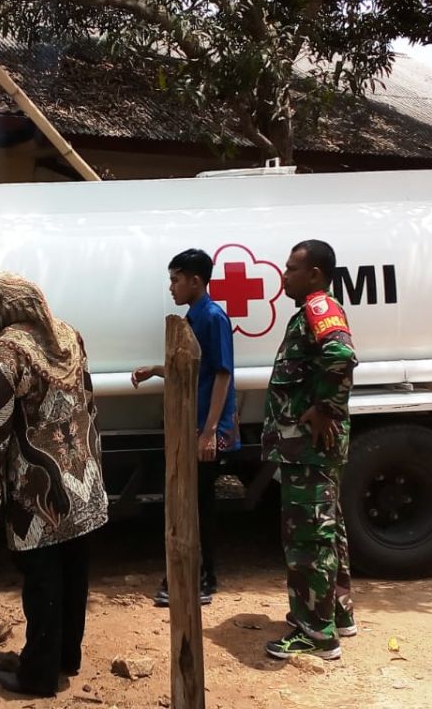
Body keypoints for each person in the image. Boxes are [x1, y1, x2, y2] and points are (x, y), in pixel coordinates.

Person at [0, 271, 109, 698]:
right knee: (74, 575)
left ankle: (38, 676)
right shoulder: (69, 336)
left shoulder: (5, 355)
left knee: (42, 582)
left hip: (37, 493)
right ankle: (68, 656)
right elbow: (89, 403)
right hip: (82, 483)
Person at [263, 240, 358, 661]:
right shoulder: (312, 311)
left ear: (314, 273)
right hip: (310, 449)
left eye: (291, 269)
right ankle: (336, 613)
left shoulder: (321, 308)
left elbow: (341, 355)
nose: (284, 276)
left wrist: (324, 409)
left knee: (308, 537)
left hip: (309, 449)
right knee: (328, 529)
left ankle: (316, 634)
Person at [131, 248, 237, 607]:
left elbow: (222, 374)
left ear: (196, 281)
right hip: (191, 427)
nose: (172, 287)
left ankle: (203, 579)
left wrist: (210, 432)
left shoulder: (213, 318)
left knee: (198, 505)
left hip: (204, 430)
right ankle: (188, 574)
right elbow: (195, 368)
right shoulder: (192, 318)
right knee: (187, 501)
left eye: (176, 280)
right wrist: (155, 370)